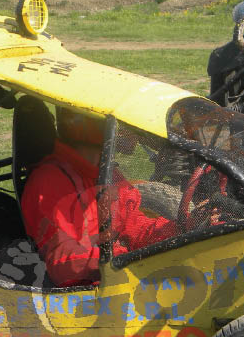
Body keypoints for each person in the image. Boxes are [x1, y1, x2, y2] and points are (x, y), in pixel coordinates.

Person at [20, 107, 177, 287]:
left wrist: (182, 230)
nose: (133, 131)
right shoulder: (49, 181)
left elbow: (135, 226)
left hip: (115, 280)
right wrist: (123, 257)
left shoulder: (106, 172)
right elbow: (64, 263)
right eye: (120, 122)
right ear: (91, 125)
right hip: (83, 300)